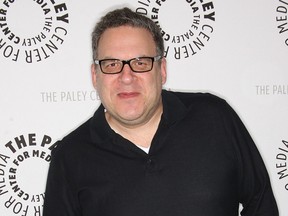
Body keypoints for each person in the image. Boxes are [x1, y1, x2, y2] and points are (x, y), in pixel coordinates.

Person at [43, 7, 278, 216]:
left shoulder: (215, 118)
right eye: (112, 64)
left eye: (141, 62)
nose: (127, 77)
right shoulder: (70, 157)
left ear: (162, 70)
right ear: (96, 76)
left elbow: (261, 202)